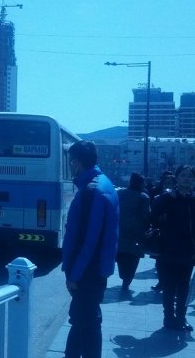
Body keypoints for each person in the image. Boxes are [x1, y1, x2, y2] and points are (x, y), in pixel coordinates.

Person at [62, 141, 119, 358]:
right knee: (86, 322)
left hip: (87, 271)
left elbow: (88, 240)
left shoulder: (91, 191)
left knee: (84, 323)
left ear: (76, 163)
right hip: (97, 268)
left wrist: (74, 275)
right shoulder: (104, 184)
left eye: (70, 161)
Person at [149, 164, 195, 332]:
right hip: (167, 249)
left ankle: (181, 318)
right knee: (168, 287)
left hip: (188, 251)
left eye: (190, 176)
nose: (187, 179)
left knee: (184, 287)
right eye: (183, 175)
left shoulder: (193, 199)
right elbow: (152, 218)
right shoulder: (167, 198)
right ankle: (169, 318)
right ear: (177, 178)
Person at [115, 172, 151, 291]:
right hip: (136, 233)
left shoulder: (120, 193)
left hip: (120, 230)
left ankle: (123, 276)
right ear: (141, 184)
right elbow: (146, 216)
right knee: (133, 258)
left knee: (121, 255)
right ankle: (127, 280)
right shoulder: (143, 197)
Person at [149, 172, 176, 292]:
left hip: (176, 235)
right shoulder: (158, 198)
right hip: (161, 235)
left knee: (173, 262)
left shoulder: (179, 198)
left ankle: (172, 285)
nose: (167, 185)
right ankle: (161, 282)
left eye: (170, 183)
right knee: (160, 262)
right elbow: (152, 216)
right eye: (165, 183)